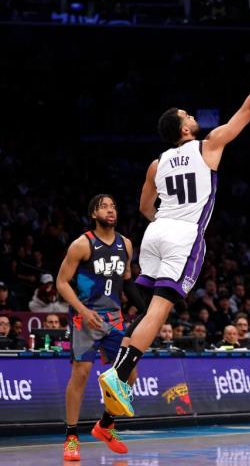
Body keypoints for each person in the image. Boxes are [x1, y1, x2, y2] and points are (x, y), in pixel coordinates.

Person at [98, 50, 250, 417]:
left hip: (155, 232)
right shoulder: (208, 147)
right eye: (189, 116)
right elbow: (249, 108)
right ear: (186, 130)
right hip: (184, 234)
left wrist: (164, 216)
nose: (194, 117)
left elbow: (145, 208)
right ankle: (119, 373)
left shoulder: (156, 163)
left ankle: (111, 405)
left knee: (145, 314)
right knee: (159, 313)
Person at [56, 195, 147, 461]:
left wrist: (146, 308)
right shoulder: (82, 244)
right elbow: (62, 283)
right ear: (94, 213)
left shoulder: (126, 245)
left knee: (128, 376)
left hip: (115, 319)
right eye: (104, 206)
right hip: (85, 318)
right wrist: (83, 311)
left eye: (114, 206)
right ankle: (71, 437)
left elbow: (127, 279)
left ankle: (106, 425)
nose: (111, 210)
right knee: (81, 374)